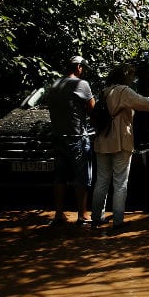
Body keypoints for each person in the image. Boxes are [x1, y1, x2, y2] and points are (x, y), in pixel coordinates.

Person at [91, 64, 149, 232]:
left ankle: (96, 218)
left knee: (101, 181)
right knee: (120, 183)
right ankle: (118, 221)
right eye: (131, 75)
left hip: (102, 140)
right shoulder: (124, 91)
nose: (133, 79)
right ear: (125, 76)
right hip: (120, 140)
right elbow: (145, 104)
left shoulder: (104, 91)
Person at [47, 55, 95, 226]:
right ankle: (82, 215)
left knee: (60, 177)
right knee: (81, 177)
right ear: (79, 67)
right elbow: (92, 110)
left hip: (58, 136)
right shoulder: (81, 84)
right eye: (83, 68)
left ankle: (59, 214)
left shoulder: (54, 85)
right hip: (77, 137)